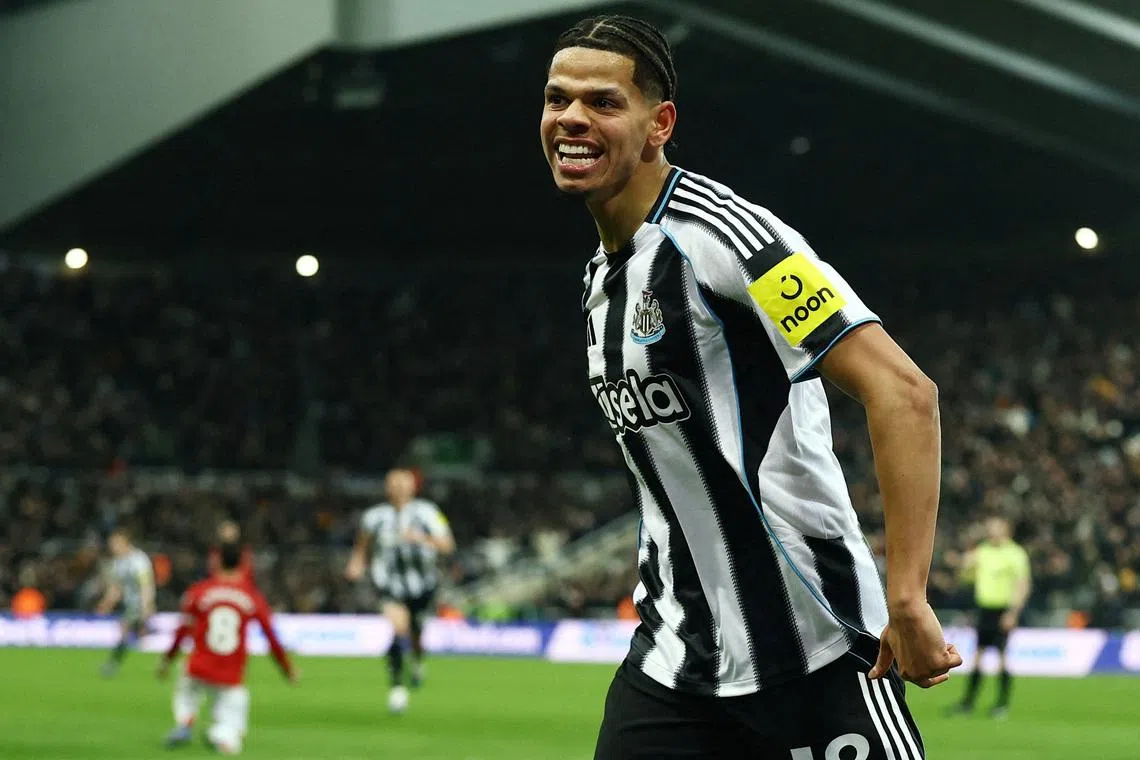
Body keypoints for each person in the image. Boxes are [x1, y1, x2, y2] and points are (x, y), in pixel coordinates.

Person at [541, 15, 961, 758]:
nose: (571, 117)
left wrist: (907, 597)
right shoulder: (600, 281)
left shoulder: (732, 239)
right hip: (676, 665)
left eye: (603, 102)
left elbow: (904, 391)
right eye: (557, 98)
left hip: (816, 652)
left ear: (658, 123)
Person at [157, 541, 296, 754]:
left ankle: (186, 721)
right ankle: (221, 735)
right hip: (231, 674)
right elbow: (271, 637)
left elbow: (182, 631)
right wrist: (287, 669)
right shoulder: (251, 596)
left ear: (217, 560)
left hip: (198, 667)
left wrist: (166, 661)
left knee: (186, 690)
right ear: (243, 563)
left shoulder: (199, 592)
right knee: (233, 729)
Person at [345, 468, 455, 713]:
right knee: (398, 628)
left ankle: (416, 661)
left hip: (423, 584)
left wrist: (422, 539)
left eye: (403, 483)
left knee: (415, 631)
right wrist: (356, 563)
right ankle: (396, 688)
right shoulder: (374, 517)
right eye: (393, 483)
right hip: (389, 584)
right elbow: (362, 545)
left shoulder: (428, 513)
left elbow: (448, 545)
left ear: (413, 487)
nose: (398, 488)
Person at [950, 516, 1030, 719]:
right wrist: (963, 565)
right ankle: (968, 703)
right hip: (984, 610)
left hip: (1003, 610)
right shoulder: (982, 551)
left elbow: (1022, 584)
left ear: (1006, 530)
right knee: (977, 656)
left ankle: (1002, 705)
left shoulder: (1015, 553)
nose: (991, 531)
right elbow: (966, 577)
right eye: (990, 528)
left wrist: (1013, 612)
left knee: (1002, 657)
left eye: (996, 528)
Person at [95, 527, 155, 677]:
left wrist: (147, 604)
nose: (113, 547)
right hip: (130, 603)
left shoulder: (139, 560)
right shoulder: (118, 563)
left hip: (140, 602)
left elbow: (146, 585)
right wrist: (106, 603)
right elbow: (116, 588)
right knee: (139, 634)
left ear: (125, 543)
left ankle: (112, 665)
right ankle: (158, 663)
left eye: (115, 544)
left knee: (125, 629)